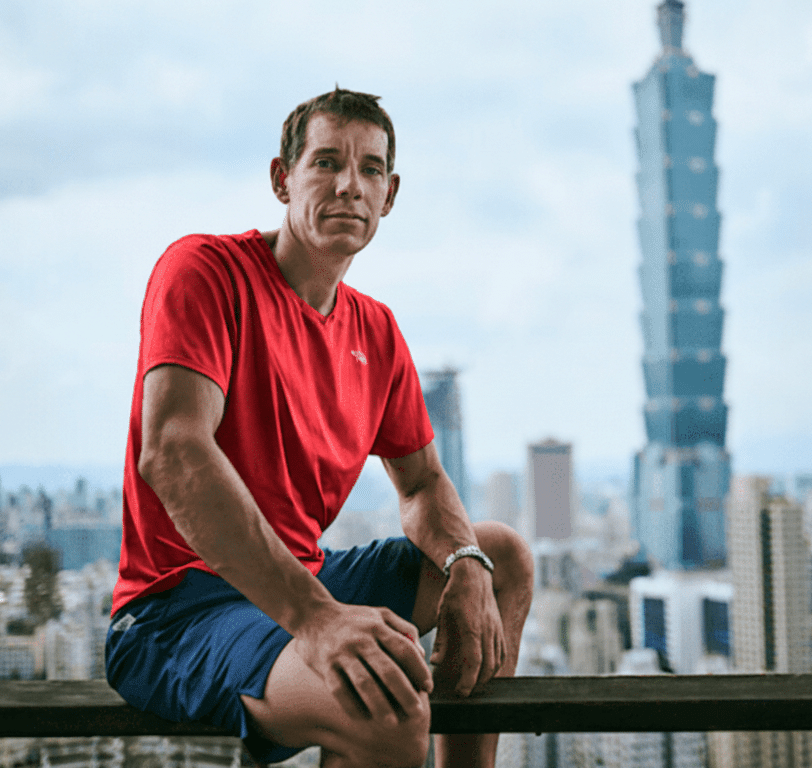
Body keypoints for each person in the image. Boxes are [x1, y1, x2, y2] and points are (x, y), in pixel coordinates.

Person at [104, 87, 533, 768]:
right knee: (384, 707)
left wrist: (464, 564)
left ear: (389, 196)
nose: (348, 186)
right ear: (283, 178)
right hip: (180, 611)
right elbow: (174, 452)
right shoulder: (205, 273)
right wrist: (318, 620)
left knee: (501, 555)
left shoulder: (377, 330)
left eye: (369, 170)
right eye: (326, 162)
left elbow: (421, 483)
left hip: (305, 581)